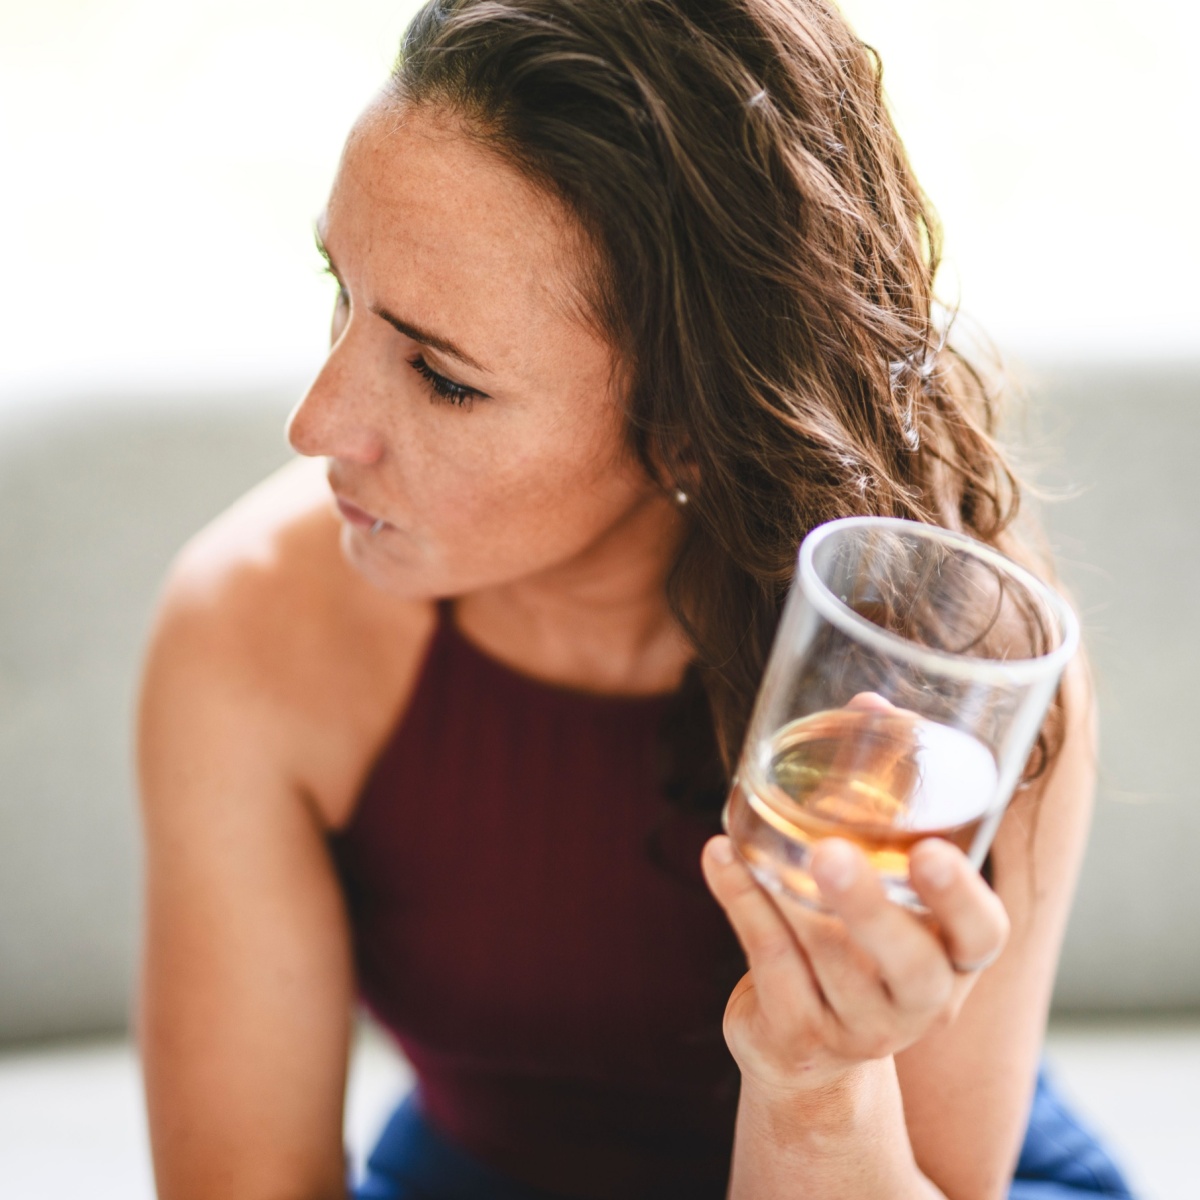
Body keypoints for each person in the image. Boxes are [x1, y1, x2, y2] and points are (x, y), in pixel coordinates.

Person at [135, 1, 1135, 1197]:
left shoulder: (955, 668)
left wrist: (815, 1082)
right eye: (339, 290)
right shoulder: (250, 625)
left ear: (693, 432)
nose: (315, 427)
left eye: (443, 378)